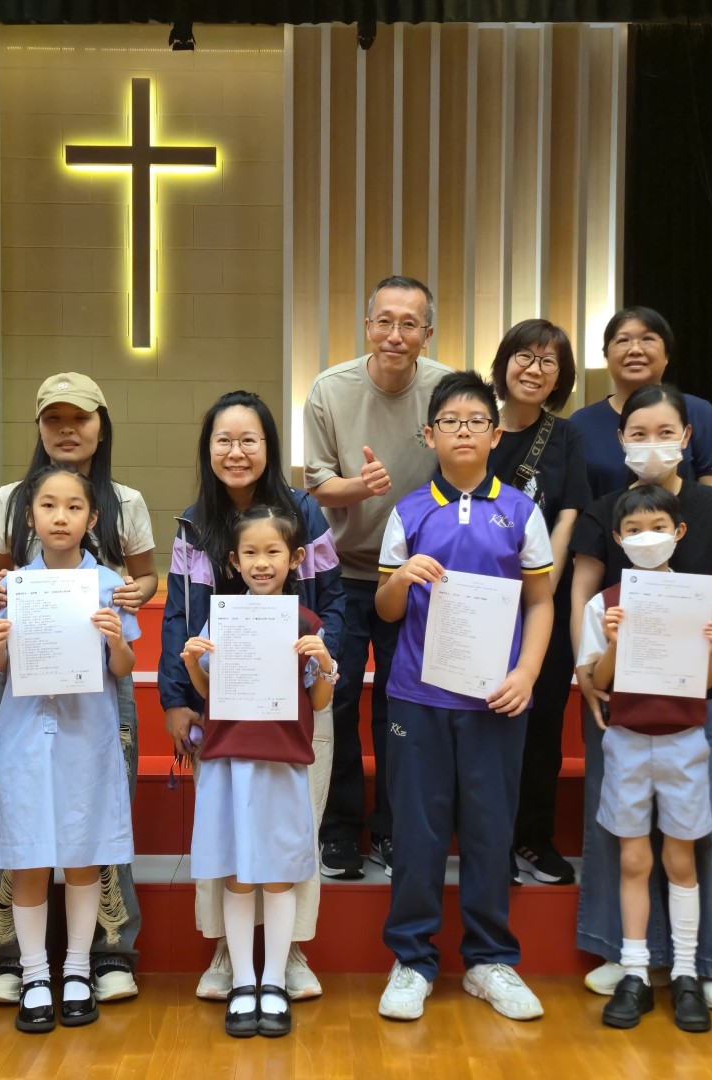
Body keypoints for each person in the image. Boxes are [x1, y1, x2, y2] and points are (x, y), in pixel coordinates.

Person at [568, 383, 712, 1009]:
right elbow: (584, 594)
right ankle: (627, 958)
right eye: (639, 433)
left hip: (699, 700)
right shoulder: (604, 511)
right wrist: (586, 670)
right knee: (622, 840)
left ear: (688, 436)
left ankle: (709, 963)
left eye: (666, 432)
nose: (653, 444)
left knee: (704, 833)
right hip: (623, 701)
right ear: (620, 439)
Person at [373, 371, 555, 1023]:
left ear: (496, 434)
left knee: (489, 830)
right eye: (450, 421)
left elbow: (541, 602)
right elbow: (385, 609)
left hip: (495, 701)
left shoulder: (523, 511)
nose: (464, 431)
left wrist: (527, 673)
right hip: (418, 698)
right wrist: (402, 580)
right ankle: (412, 960)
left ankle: (489, 960)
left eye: (476, 421)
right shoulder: (409, 510)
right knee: (416, 833)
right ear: (430, 435)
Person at [161, 391, 346, 1003]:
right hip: (223, 712)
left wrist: (324, 665)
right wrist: (177, 696)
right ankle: (228, 953)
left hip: (297, 705)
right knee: (228, 835)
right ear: (207, 448)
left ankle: (288, 954)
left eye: (249, 440)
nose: (236, 452)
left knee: (294, 835)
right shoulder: (194, 523)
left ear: (269, 447)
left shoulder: (304, 513)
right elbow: (179, 617)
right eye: (224, 440)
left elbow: (333, 601)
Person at [0, 373, 155, 1007]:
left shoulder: (125, 501)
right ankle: (19, 960)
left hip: (93, 691)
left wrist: (128, 601)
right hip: (26, 688)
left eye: (79, 418)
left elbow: (145, 580)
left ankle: (102, 954)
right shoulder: (9, 497)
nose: (66, 429)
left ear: (101, 424)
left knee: (96, 826)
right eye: (53, 419)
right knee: (22, 832)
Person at [303, 274, 454, 880]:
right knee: (336, 697)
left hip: (416, 576)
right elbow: (317, 485)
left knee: (402, 701)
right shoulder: (330, 389)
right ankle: (340, 828)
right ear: (368, 326)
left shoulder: (445, 390)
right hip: (341, 572)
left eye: (408, 324)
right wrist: (358, 487)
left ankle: (393, 827)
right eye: (384, 321)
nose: (395, 334)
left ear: (427, 332)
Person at [181, 504, 339, 1038]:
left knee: (279, 872)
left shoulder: (307, 623)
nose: (261, 562)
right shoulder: (221, 618)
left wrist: (326, 664)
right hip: (228, 762)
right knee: (237, 873)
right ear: (234, 561)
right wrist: (191, 662)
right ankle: (243, 981)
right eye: (250, 552)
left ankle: (273, 981)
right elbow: (210, 692)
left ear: (295, 558)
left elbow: (319, 702)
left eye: (273, 551)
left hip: (282, 763)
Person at [576, 485, 712, 1034]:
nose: (647, 538)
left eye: (658, 527)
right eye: (634, 530)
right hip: (627, 740)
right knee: (634, 859)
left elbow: (704, 682)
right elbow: (598, 680)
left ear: (679, 533)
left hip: (685, 740)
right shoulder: (603, 603)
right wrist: (616, 640)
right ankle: (635, 971)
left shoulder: (699, 599)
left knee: (681, 859)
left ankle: (685, 973)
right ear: (617, 539)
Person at [485, 319, 592, 885]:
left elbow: (569, 510)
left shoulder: (566, 436)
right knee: (484, 719)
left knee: (543, 718)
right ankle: (490, 840)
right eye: (524, 356)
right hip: (479, 598)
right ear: (504, 363)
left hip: (540, 599)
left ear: (560, 377)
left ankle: (533, 834)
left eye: (549, 361)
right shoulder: (477, 423)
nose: (534, 368)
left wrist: (542, 582)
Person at [568, 306, 712, 498]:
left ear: (667, 356)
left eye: (647, 339)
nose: (635, 350)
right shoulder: (581, 423)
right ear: (606, 356)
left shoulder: (698, 412)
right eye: (623, 340)